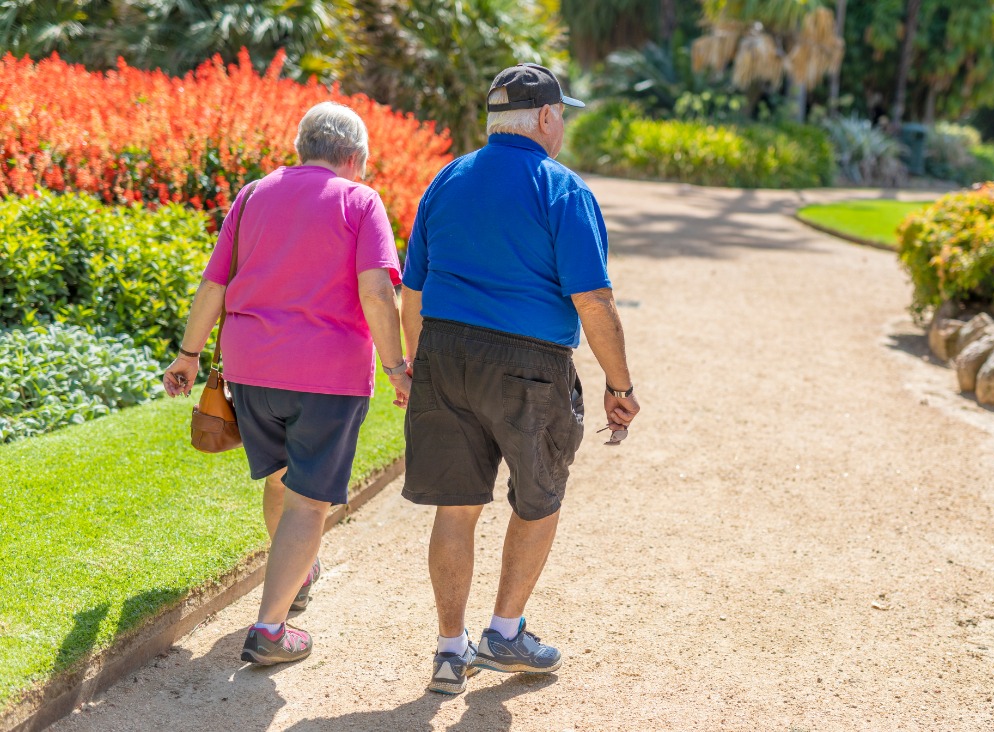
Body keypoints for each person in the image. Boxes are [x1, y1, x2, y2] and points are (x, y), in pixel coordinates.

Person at [399, 63, 641, 695]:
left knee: (456, 509)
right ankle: (504, 632)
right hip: (529, 365)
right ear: (543, 117)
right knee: (538, 499)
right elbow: (593, 301)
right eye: (562, 113)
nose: (562, 125)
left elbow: (412, 291)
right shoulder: (562, 189)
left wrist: (415, 365)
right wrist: (619, 387)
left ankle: (451, 652)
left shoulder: (447, 179)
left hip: (444, 355)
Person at [163, 101, 411, 665]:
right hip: (327, 375)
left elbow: (214, 285)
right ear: (352, 157)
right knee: (309, 502)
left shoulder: (253, 195)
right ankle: (270, 631)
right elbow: (376, 292)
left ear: (304, 149)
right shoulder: (359, 200)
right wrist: (397, 368)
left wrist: (188, 355)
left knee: (279, 478)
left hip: (251, 372)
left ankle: (294, 574)